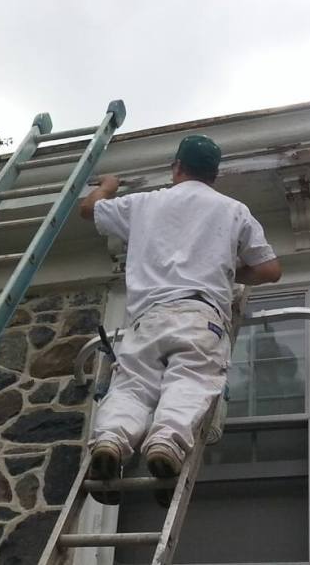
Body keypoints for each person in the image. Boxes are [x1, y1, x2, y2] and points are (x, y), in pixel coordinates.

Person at [78, 134, 281, 504]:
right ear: (214, 175)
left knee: (132, 387)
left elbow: (89, 210)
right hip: (200, 315)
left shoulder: (144, 204)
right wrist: (231, 274)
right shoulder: (233, 210)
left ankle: (111, 439)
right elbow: (269, 269)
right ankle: (166, 443)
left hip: (148, 319)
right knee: (189, 378)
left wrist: (106, 186)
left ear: (176, 168)